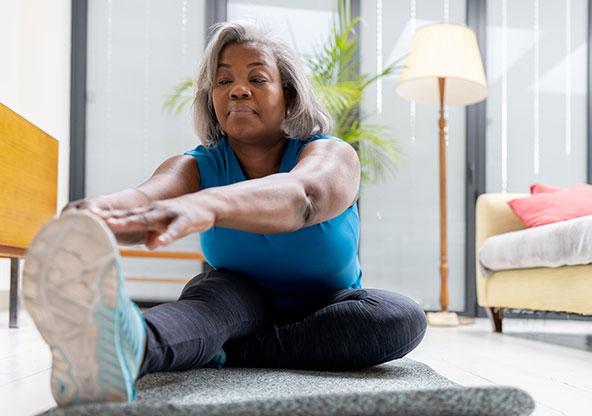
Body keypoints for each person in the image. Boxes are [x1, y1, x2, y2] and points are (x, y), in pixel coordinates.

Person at [23, 21, 427, 407]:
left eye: (256, 79)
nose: (238, 90)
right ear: (211, 97)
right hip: (236, 298)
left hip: (328, 304)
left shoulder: (329, 154)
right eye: (223, 80)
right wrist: (97, 214)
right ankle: (125, 347)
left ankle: (224, 349)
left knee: (399, 317)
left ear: (287, 94)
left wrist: (207, 204)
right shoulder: (197, 166)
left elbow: (302, 196)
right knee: (206, 305)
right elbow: (145, 200)